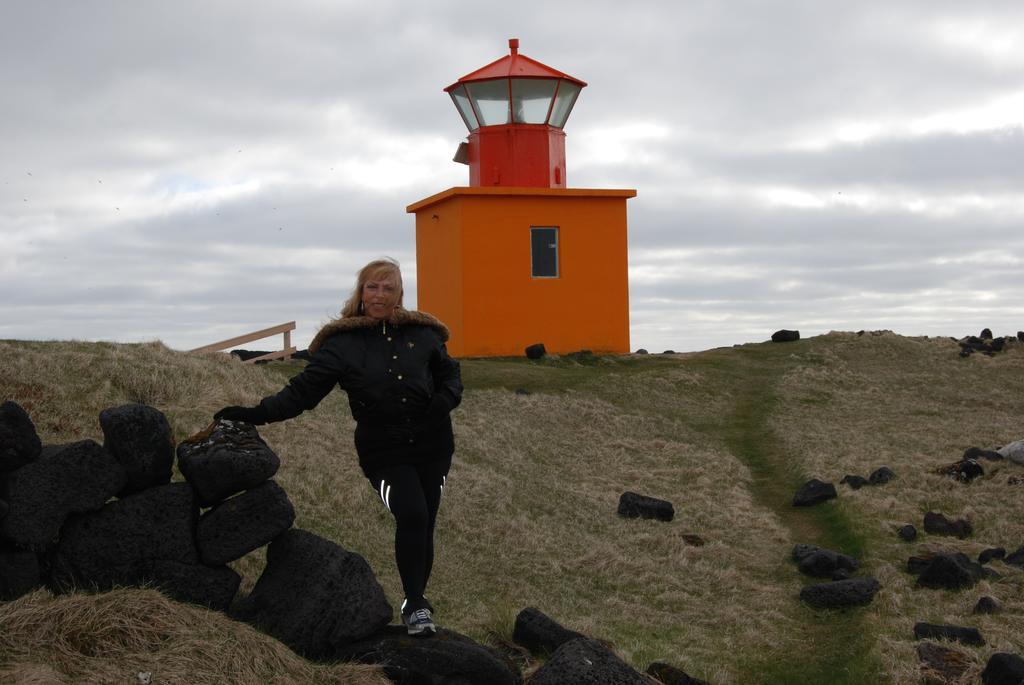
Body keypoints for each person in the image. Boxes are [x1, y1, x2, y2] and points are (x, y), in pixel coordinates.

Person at [215, 257, 462, 637]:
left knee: (424, 519)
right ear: (360, 292)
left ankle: (417, 603)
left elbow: (450, 374)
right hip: (384, 450)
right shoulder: (341, 344)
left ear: (399, 294)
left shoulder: (424, 334)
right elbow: (302, 393)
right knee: (412, 514)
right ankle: (415, 606)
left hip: (433, 444)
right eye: (372, 286)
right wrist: (255, 414)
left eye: (388, 287)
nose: (380, 294)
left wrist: (444, 400)